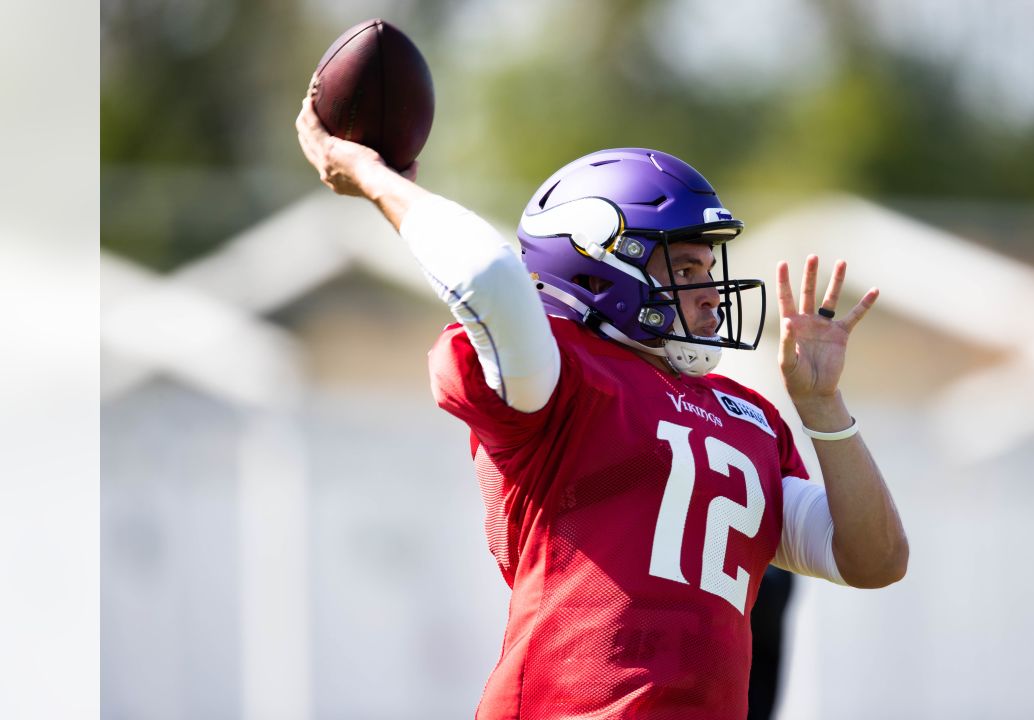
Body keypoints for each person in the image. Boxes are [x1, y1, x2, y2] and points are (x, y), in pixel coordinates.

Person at [296, 84, 908, 719]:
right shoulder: (562, 374)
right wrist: (372, 176)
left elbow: (874, 559)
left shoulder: (748, 417)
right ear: (599, 268)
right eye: (689, 270)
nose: (714, 294)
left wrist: (825, 407)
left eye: (711, 270)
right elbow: (488, 278)